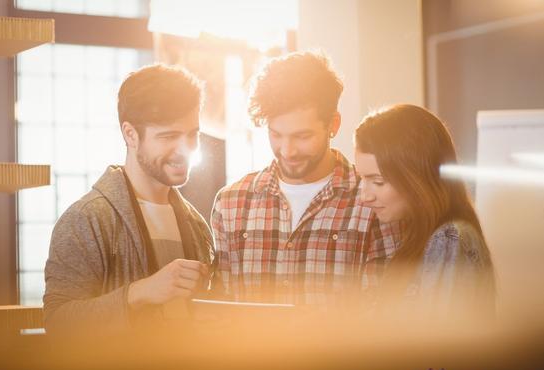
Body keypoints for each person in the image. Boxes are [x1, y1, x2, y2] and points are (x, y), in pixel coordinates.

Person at [210, 51, 399, 308]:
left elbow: (383, 311)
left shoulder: (372, 201)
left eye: (302, 136)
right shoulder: (231, 202)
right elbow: (222, 311)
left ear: (333, 124)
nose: (287, 151)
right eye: (276, 135)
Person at [44, 64, 214, 335]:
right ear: (130, 134)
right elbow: (59, 324)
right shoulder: (86, 219)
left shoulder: (196, 223)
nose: (186, 150)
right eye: (168, 136)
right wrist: (140, 292)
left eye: (192, 135)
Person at [354, 104, 495, 320]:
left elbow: (433, 347)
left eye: (378, 182)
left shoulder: (448, 237)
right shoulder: (421, 234)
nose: (365, 196)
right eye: (362, 179)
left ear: (417, 177)